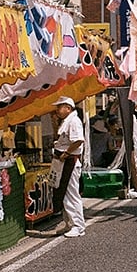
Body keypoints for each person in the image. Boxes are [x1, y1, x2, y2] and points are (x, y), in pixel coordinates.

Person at [51, 96, 86, 238]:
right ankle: (69, 223)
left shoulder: (74, 121)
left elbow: (78, 140)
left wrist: (66, 153)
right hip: (63, 161)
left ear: (68, 108)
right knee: (64, 194)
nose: (57, 110)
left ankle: (78, 226)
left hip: (69, 161)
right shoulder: (66, 121)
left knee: (71, 194)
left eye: (60, 107)